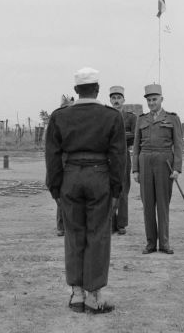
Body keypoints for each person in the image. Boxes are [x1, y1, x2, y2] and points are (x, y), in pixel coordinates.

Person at [45, 67, 126, 314]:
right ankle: (94, 296)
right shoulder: (111, 116)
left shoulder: (60, 116)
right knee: (98, 235)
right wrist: (115, 189)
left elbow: (52, 155)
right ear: (98, 89)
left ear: (76, 90)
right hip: (99, 176)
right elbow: (119, 156)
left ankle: (76, 294)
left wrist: (56, 188)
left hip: (70, 177)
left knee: (74, 234)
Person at [132, 83, 182, 255]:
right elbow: (136, 146)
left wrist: (177, 168)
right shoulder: (141, 119)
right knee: (147, 206)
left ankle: (165, 243)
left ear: (162, 99)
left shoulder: (172, 119)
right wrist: (135, 170)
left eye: (155, 99)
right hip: (145, 161)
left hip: (164, 163)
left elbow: (178, 145)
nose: (152, 103)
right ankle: (151, 243)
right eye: (149, 100)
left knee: (163, 204)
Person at [108, 86, 137, 235]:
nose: (116, 101)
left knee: (123, 189)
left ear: (123, 100)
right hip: (108, 157)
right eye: (113, 98)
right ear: (110, 100)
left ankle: (122, 224)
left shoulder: (131, 117)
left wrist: (116, 137)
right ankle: (111, 222)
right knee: (109, 189)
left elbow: (135, 135)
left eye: (119, 98)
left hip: (124, 155)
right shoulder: (105, 116)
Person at [55, 94, 74, 236]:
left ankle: (69, 224)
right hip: (61, 161)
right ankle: (61, 225)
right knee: (61, 194)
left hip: (72, 161)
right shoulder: (58, 123)